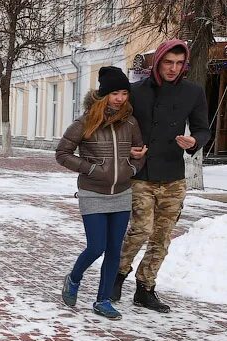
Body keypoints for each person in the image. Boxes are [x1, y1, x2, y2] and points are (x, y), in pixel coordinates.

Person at [112, 39, 211, 312]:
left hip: (172, 175)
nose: (173, 68)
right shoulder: (136, 91)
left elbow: (203, 129)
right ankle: (117, 277)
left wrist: (195, 142)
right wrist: (126, 149)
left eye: (179, 63)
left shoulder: (193, 92)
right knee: (141, 229)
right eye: (169, 62)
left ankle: (145, 288)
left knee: (162, 235)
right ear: (158, 62)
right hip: (141, 173)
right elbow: (116, 127)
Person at [56, 67, 147, 320]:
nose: (119, 98)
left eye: (124, 93)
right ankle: (74, 278)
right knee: (96, 246)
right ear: (103, 94)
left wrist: (132, 167)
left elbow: (140, 150)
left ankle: (103, 300)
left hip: (122, 192)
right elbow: (62, 154)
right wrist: (91, 168)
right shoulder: (85, 122)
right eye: (114, 93)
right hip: (93, 191)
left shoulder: (130, 122)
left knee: (114, 250)